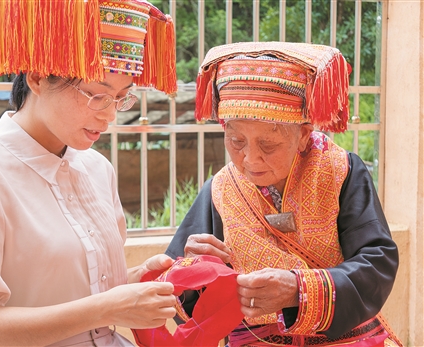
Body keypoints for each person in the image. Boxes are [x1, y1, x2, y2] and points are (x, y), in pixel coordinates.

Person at [0, 0, 178, 346]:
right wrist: (106, 308)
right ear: (38, 78)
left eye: (121, 99)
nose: (109, 116)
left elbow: (89, 292)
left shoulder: (96, 169)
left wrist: (145, 278)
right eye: (96, 96)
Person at [165, 42, 401, 346]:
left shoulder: (340, 170)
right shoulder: (221, 189)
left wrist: (298, 289)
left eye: (268, 145)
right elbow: (174, 291)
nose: (250, 159)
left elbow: (377, 264)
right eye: (236, 140)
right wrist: (193, 271)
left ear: (303, 135)